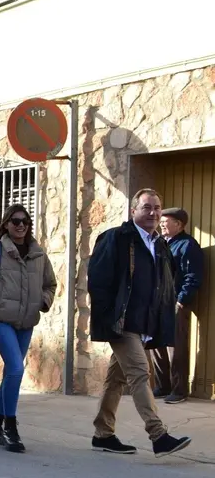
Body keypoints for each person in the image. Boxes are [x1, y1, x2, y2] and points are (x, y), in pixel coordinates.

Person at [88, 189, 191, 457]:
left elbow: (162, 285)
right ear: (133, 210)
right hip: (121, 323)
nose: (153, 213)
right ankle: (158, 435)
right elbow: (98, 281)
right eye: (146, 207)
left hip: (144, 323)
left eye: (157, 208)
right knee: (140, 373)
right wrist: (109, 317)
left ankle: (103, 434)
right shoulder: (116, 238)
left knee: (116, 379)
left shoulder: (159, 244)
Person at [0, 205, 56, 454]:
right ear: (6, 224)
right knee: (17, 369)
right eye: (16, 221)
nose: (21, 225)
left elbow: (50, 283)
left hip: (26, 322)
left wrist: (43, 301)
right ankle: (10, 427)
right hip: (1, 319)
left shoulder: (38, 254)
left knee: (11, 372)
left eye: (25, 221)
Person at [152, 207, 203, 405]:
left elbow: (193, 276)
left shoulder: (188, 245)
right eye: (161, 221)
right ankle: (162, 386)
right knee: (155, 345)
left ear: (179, 225)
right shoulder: (160, 243)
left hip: (174, 303)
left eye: (166, 221)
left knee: (176, 347)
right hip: (155, 302)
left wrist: (181, 300)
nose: (162, 224)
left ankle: (179, 390)